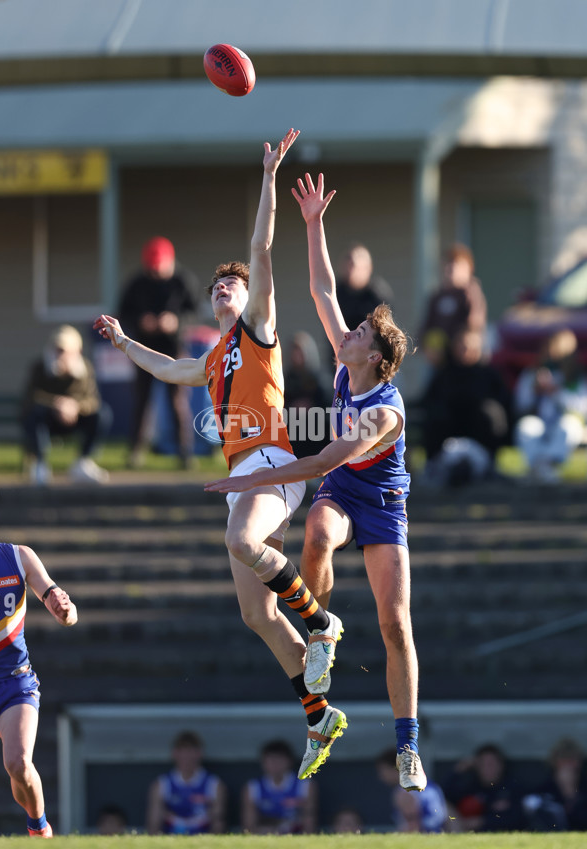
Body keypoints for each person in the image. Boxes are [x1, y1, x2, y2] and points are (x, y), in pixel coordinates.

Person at [94, 130, 347, 781]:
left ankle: (321, 622)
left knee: (241, 540)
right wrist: (123, 341)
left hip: (272, 461)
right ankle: (318, 713)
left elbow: (261, 247)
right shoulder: (211, 357)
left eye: (229, 286)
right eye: (217, 289)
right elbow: (169, 366)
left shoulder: (257, 330)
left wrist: (268, 177)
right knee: (254, 612)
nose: (222, 291)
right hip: (242, 475)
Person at [205, 172, 427, 793]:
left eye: (358, 335)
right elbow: (323, 288)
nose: (346, 332)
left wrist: (254, 481)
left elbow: (322, 462)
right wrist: (312, 223)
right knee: (316, 541)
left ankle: (407, 745)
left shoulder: (384, 411)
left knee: (395, 623)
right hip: (342, 493)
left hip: (382, 501)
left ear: (375, 360)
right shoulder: (346, 363)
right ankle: (320, 633)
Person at [0, 480, 78, 838]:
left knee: (19, 763)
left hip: (14, 679)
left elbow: (58, 600)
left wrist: (63, 609)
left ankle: (39, 828)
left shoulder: (18, 557)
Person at [118, 235, 199, 468]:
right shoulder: (137, 283)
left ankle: (185, 453)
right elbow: (124, 313)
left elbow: (194, 311)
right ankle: (135, 451)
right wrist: (141, 322)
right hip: (144, 348)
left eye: (159, 268)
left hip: (173, 348)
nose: (155, 273)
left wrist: (175, 322)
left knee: (177, 401)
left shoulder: (182, 281)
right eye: (151, 269)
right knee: (141, 401)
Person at [20, 324, 112, 486]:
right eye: (57, 349)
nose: (60, 354)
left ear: (76, 351)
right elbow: (32, 397)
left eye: (64, 350)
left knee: (101, 414)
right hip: (48, 419)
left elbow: (92, 400)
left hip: (76, 420)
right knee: (33, 414)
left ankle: (83, 463)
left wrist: (74, 406)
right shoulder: (40, 367)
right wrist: (58, 404)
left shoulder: (85, 369)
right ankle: (40, 465)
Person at [420, 328, 511, 485]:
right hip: (447, 439)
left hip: (480, 437)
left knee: (489, 413)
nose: (465, 351)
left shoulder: (490, 375)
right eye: (461, 346)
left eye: (470, 347)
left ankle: (489, 465)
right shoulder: (443, 375)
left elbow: (503, 402)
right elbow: (428, 401)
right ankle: (433, 467)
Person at [513, 328, 587, 483]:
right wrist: (536, 391)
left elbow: (581, 407)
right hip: (540, 422)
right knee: (526, 426)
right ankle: (540, 467)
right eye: (549, 347)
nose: (553, 353)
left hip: (565, 424)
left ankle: (547, 465)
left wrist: (556, 392)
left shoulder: (574, 377)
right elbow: (520, 404)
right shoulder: (532, 373)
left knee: (568, 425)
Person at [419, 243, 487, 370]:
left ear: (469, 269)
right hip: (441, 360)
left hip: (465, 358)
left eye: (457, 265)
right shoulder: (437, 296)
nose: (451, 269)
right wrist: (427, 346)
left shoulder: (471, 293)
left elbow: (474, 323)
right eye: (448, 264)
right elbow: (427, 325)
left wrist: (465, 340)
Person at [146, 731, 226, 835]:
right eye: (182, 751)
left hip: (203, 839)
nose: (187, 757)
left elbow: (218, 821)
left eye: (191, 751)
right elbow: (153, 824)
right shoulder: (161, 784)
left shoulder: (214, 784)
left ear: (200, 753)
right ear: (174, 754)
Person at [442, 743, 525, 832]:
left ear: (501, 765)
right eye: (483, 764)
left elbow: (518, 818)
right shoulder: (470, 787)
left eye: (491, 764)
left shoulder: (512, 788)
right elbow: (443, 799)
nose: (487, 768)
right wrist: (457, 771)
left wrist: (482, 821)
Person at [241, 739, 318, 834]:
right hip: (265, 832)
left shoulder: (305, 786)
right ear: (263, 763)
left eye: (279, 760)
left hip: (294, 832)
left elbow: (309, 817)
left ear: (289, 761)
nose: (275, 764)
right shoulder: (253, 788)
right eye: (271, 760)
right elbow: (249, 824)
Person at [283, 331, 332, 458]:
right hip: (295, 439)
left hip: (317, 438)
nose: (296, 356)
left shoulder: (320, 379)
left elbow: (329, 407)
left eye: (299, 352)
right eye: (294, 352)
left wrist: (311, 407)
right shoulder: (286, 380)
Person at [523, 738, 587, 831]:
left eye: (572, 759)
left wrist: (570, 793)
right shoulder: (542, 791)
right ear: (554, 762)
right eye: (563, 759)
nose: (567, 764)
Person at [335, 243, 394, 343]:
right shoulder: (337, 292)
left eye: (354, 266)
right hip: (340, 349)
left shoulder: (378, 295)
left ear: (368, 268)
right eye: (348, 265)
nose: (350, 271)